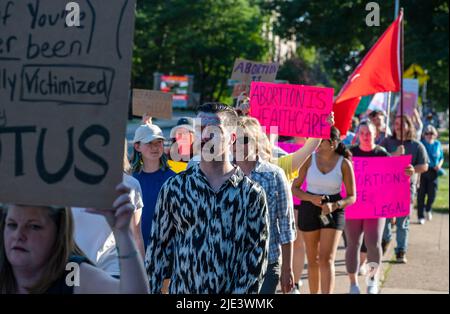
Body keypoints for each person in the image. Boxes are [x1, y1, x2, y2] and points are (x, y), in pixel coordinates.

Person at [145, 103, 269, 294]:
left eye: (214, 130)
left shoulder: (251, 194)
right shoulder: (175, 188)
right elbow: (156, 254)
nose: (204, 136)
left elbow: (255, 261)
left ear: (232, 138)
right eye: (199, 129)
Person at [0, 183, 149, 294]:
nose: (18, 235)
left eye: (34, 226)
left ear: (58, 231)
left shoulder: (71, 275)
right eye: (12, 225)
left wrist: (122, 234)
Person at [345, 120, 415, 294]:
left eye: (368, 133)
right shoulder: (350, 154)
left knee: (374, 243)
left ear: (376, 134)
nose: (365, 136)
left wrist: (408, 171)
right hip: (354, 206)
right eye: (361, 133)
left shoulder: (382, 154)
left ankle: (372, 280)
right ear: (357, 135)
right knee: (352, 244)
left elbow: (397, 175)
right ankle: (353, 284)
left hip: (376, 207)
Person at [234, 117, 296, 294]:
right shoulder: (222, 174)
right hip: (230, 262)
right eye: (234, 139)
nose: (238, 144)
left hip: (267, 261)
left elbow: (286, 223)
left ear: (256, 142)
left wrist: (287, 268)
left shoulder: (274, 175)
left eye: (244, 139)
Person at [292, 126, 356, 294]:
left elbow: (352, 196)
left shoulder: (344, 164)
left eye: (320, 140)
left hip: (333, 208)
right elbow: (295, 188)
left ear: (333, 143)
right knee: (312, 259)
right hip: (309, 206)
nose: (316, 143)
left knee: (326, 259)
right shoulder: (308, 158)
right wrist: (311, 198)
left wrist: (335, 206)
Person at [71, 145, 145, 277]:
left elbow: (136, 235)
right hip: (75, 268)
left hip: (114, 269)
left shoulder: (131, 184)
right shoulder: (68, 184)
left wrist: (142, 275)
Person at [381, 115, 429, 263]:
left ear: (409, 126)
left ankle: (401, 250)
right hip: (387, 188)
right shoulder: (387, 142)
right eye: (396, 124)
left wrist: (413, 170)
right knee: (386, 220)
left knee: (402, 222)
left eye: (402, 124)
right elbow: (378, 162)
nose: (398, 127)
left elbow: (425, 166)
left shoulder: (417, 145)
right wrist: (394, 155)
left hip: (406, 188)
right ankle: (385, 240)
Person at [131, 124, 176, 251]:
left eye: (159, 142)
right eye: (149, 143)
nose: (155, 147)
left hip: (167, 252)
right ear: (137, 146)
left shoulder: (174, 179)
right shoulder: (130, 180)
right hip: (136, 252)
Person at [417, 125, 444, 224]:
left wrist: (439, 165)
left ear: (435, 134)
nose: (429, 135)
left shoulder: (438, 144)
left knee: (432, 194)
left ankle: (428, 209)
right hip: (423, 171)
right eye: (427, 133)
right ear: (424, 135)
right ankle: (420, 216)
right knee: (421, 195)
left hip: (434, 172)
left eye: (431, 133)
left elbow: (441, 157)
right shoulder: (421, 144)